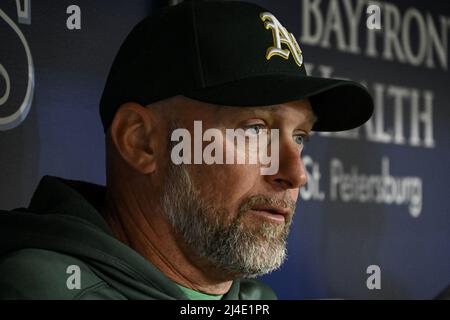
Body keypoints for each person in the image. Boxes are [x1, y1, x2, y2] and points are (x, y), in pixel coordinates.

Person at [0, 0, 373, 300]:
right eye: (255, 130)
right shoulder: (43, 288)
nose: (296, 174)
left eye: (300, 137)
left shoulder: (254, 299)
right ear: (140, 141)